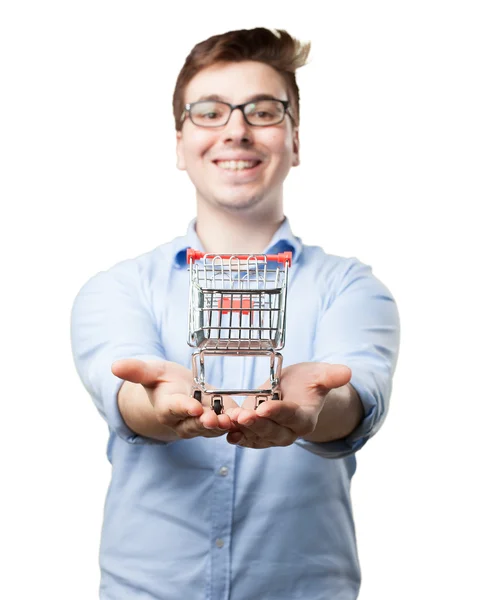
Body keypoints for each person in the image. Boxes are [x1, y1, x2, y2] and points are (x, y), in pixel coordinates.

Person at [71, 27, 400, 600]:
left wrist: (316, 408)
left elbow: (358, 396)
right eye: (210, 111)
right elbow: (123, 393)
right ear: (179, 143)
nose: (237, 129)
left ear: (295, 141)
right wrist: (158, 404)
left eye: (264, 111)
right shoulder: (117, 288)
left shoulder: (352, 288)